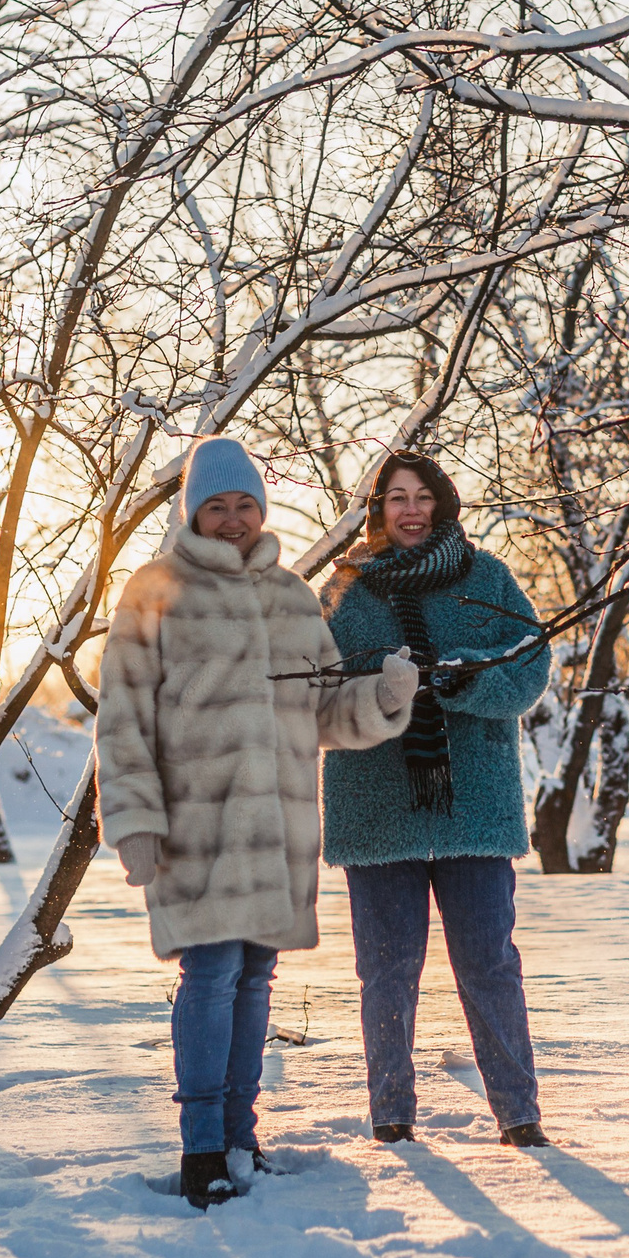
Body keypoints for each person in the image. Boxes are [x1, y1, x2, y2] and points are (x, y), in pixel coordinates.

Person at [96, 436, 418, 1208]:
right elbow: (123, 717)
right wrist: (134, 820)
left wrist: (384, 695)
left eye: (246, 504)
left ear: (261, 510)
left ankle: (242, 1136)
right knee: (208, 975)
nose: (234, 518)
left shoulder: (292, 597)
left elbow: (326, 711)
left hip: (276, 832)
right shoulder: (154, 589)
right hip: (195, 831)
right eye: (218, 505)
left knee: (255, 978)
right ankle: (201, 1147)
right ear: (194, 511)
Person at [321, 451, 554, 1147]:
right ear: (378, 509)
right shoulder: (346, 591)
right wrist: (383, 694)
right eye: (396, 496)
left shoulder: (487, 580)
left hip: (474, 809)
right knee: (385, 972)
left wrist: (468, 682)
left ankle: (519, 1113)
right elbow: (317, 695)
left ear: (444, 503)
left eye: (422, 495)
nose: (410, 508)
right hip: (375, 805)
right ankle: (390, 1114)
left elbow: (530, 662)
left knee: (489, 963)